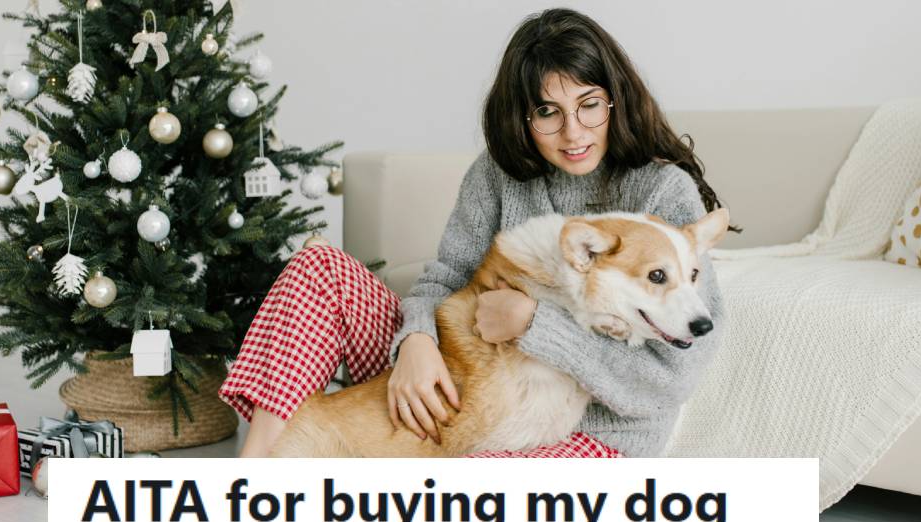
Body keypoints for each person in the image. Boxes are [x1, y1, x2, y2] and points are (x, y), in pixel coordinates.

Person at [221, 7, 725, 458]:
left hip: (588, 435)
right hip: (463, 379)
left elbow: (672, 377)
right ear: (523, 118)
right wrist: (414, 343)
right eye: (548, 113)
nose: (573, 133)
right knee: (320, 268)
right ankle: (253, 476)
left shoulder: (663, 192)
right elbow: (446, 275)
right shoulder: (497, 175)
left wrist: (533, 325)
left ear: (615, 100)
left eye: (589, 105)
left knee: (461, 510)